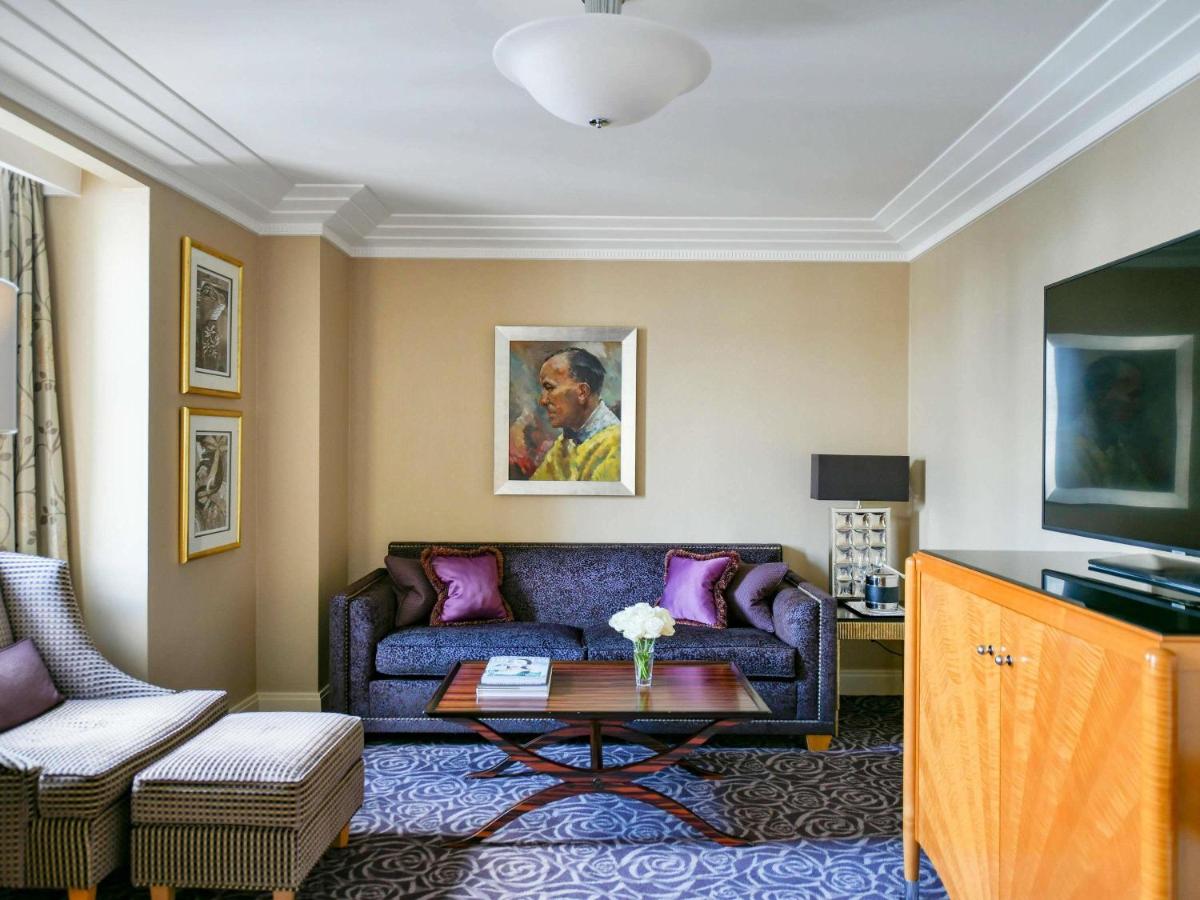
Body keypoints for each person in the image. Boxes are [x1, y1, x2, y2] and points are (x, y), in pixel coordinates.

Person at [530, 347, 621, 482]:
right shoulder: (565, 443)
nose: (542, 401)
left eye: (550, 388)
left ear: (582, 392)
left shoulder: (616, 444)